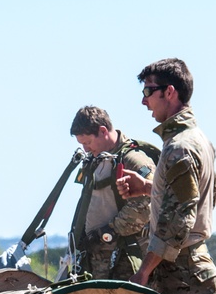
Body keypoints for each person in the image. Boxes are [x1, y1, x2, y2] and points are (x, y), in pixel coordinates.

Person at [117, 58, 216, 294]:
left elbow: (178, 220)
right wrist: (149, 187)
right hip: (188, 266)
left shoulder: (179, 148)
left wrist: (143, 271)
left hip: (181, 273)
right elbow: (197, 197)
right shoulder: (196, 140)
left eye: (148, 91)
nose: (143, 101)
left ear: (170, 92)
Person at [66, 106, 158, 280]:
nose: (85, 149)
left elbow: (143, 208)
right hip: (98, 258)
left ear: (102, 131)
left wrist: (107, 232)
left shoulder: (133, 160)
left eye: (87, 142)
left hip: (126, 259)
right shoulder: (97, 159)